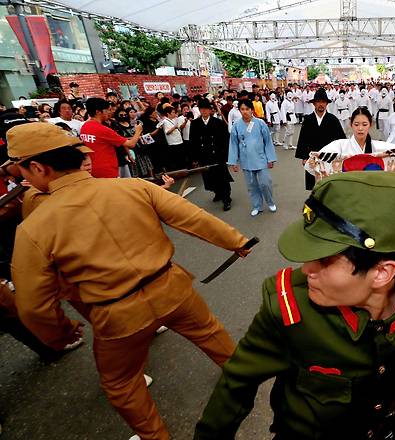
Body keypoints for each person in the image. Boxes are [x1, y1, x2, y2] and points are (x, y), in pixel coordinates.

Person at [7, 122, 252, 440]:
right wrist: (237, 240)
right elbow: (192, 217)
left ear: (37, 167)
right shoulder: (134, 187)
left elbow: (32, 304)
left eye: (22, 170)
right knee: (211, 334)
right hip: (172, 288)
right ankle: (245, 379)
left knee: (122, 385)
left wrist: (60, 334)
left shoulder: (33, 228)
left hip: (117, 315)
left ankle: (156, 437)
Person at [194, 170, 395, 440]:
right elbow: (234, 388)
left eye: (325, 260)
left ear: (383, 272)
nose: (306, 269)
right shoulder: (289, 310)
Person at [228, 99, 277, 217]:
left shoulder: (260, 123)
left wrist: (270, 158)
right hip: (246, 159)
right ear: (239, 111)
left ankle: (270, 202)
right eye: (242, 109)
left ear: (252, 110)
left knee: (265, 183)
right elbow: (233, 144)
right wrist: (233, 161)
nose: (245, 112)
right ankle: (257, 206)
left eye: (247, 109)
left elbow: (267, 141)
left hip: (260, 158)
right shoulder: (236, 126)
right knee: (251, 185)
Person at [79, 98, 143, 178]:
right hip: (107, 171)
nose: (109, 113)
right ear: (98, 112)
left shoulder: (84, 127)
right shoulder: (103, 129)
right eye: (107, 110)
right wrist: (138, 131)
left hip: (92, 170)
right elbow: (131, 144)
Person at [296, 88, 346, 190]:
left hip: (329, 157)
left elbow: (341, 140)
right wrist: (304, 157)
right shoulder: (308, 120)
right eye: (318, 101)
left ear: (327, 104)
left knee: (329, 185)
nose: (321, 104)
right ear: (314, 104)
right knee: (315, 187)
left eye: (323, 102)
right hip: (313, 158)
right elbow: (303, 139)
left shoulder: (333, 120)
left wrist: (341, 157)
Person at [189, 99, 233, 210]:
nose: (204, 111)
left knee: (222, 178)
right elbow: (193, 141)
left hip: (218, 155)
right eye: (201, 109)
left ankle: (226, 199)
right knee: (210, 178)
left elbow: (225, 140)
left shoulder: (218, 122)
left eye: (206, 109)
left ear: (210, 110)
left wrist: (226, 155)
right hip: (204, 155)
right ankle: (217, 192)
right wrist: (194, 157)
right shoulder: (195, 124)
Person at [319, 108, 395, 156]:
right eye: (356, 124)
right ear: (351, 124)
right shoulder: (340, 145)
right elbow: (316, 159)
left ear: (370, 125)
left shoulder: (377, 146)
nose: (360, 128)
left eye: (364, 124)